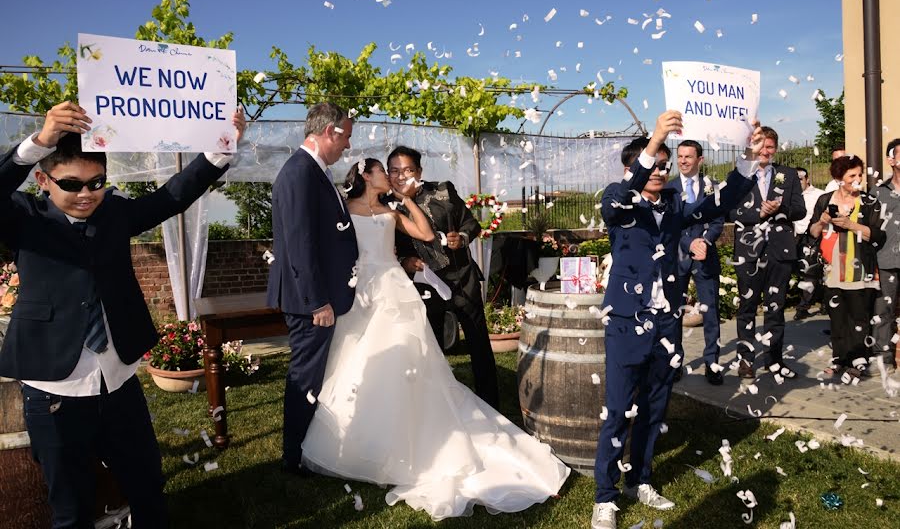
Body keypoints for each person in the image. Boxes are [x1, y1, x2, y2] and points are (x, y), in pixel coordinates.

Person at [0, 100, 246, 528]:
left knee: (147, 488)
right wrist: (39, 142)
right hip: (53, 388)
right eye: (72, 184)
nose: (86, 194)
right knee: (72, 508)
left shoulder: (113, 212)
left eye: (97, 183)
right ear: (42, 179)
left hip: (118, 381)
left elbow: (172, 196)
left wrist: (222, 147)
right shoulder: (22, 216)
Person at [300, 158, 570, 520]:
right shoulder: (343, 210)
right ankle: (362, 437)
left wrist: (405, 198)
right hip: (360, 291)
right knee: (358, 359)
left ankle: (409, 431)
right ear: (366, 176)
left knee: (407, 360)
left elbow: (426, 235)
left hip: (394, 289)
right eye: (384, 172)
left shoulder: (392, 211)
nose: (391, 177)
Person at [591, 111, 763, 529]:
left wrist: (746, 161)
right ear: (631, 168)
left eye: (665, 166)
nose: (661, 171)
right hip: (627, 322)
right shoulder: (616, 197)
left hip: (666, 324)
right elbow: (623, 196)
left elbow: (714, 205)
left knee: (654, 406)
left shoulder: (671, 203)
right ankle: (605, 497)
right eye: (654, 164)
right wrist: (654, 141)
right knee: (618, 411)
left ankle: (642, 480)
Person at [266, 102, 358, 477]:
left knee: (312, 374)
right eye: (346, 137)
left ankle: (304, 446)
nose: (347, 147)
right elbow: (300, 243)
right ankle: (295, 456)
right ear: (329, 132)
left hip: (317, 298)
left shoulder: (312, 171)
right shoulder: (300, 173)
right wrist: (317, 300)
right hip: (311, 303)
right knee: (305, 376)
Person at [388, 146, 500, 409]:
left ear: (419, 171)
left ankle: (491, 404)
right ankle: (437, 409)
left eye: (407, 170)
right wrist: (405, 262)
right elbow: (386, 247)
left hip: (462, 280)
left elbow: (471, 224)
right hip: (425, 287)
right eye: (394, 170)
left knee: (479, 346)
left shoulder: (443, 190)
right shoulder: (384, 206)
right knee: (431, 349)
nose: (401, 176)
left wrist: (461, 238)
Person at [728, 126, 806, 380]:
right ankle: (746, 360)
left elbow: (800, 210)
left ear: (775, 149)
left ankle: (774, 360)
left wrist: (780, 207)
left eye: (769, 146)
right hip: (749, 252)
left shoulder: (787, 175)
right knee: (748, 308)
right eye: (760, 145)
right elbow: (730, 212)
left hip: (779, 252)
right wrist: (758, 214)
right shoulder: (739, 176)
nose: (765, 150)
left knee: (776, 308)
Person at [808, 155, 885, 379]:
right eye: (852, 175)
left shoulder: (869, 202)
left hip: (861, 267)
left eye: (860, 175)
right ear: (838, 177)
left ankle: (858, 361)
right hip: (832, 269)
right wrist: (822, 221)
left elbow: (877, 235)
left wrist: (851, 225)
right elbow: (812, 233)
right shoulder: (824, 200)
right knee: (838, 317)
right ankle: (839, 360)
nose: (858, 179)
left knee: (859, 317)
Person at [668, 139, 726, 385]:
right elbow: (669, 226)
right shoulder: (669, 189)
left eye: (688, 156)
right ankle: (675, 362)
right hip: (678, 260)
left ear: (700, 160)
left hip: (706, 258)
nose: (682, 161)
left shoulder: (712, 186)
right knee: (674, 314)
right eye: (679, 156)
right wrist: (688, 243)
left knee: (710, 312)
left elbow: (718, 220)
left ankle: (712, 362)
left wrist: (705, 241)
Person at [873, 138, 900, 374]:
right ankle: (883, 356)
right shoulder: (878, 192)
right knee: (883, 311)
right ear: (891, 159)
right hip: (886, 261)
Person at [793, 167, 826, 320]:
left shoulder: (819, 195)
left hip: (811, 237)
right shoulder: (790, 195)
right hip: (793, 236)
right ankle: (821, 300)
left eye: (800, 178)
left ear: (807, 179)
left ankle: (803, 306)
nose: (798, 181)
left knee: (810, 271)